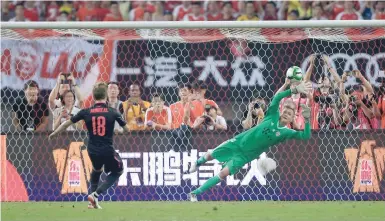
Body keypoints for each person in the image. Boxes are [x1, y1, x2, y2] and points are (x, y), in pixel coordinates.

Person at [187, 81, 312, 202]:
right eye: (285, 111)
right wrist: (293, 89)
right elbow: (278, 96)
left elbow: (305, 136)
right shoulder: (272, 114)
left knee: (224, 173)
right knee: (211, 155)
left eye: (289, 113)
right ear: (281, 111)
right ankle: (198, 162)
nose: (286, 113)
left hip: (245, 156)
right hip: (237, 142)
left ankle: (195, 193)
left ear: (292, 118)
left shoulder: (286, 132)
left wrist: (307, 120)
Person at [49, 82, 129, 209]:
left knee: (97, 170)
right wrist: (119, 131)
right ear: (106, 96)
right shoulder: (113, 112)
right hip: (107, 149)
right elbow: (127, 129)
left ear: (93, 96)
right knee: (118, 170)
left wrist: (54, 133)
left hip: (92, 149)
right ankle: (96, 195)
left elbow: (66, 124)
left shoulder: (86, 112)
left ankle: (92, 203)